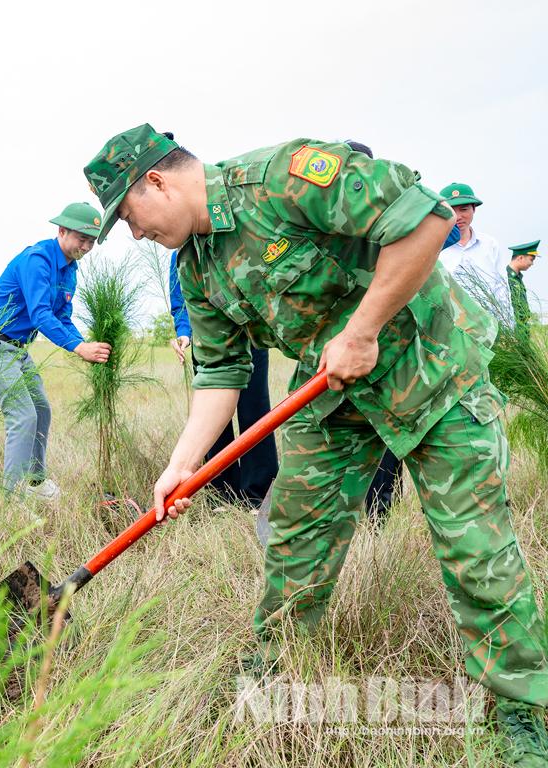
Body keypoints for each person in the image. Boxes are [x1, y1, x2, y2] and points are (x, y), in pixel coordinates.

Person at [84, 124, 548, 765]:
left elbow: (426, 222)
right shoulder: (194, 265)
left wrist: (362, 330)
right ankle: (267, 678)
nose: (134, 234)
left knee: (477, 549)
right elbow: (220, 372)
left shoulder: (285, 178)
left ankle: (521, 712)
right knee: (294, 537)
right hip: (333, 397)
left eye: (129, 216)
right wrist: (179, 465)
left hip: (434, 372)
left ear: (156, 181)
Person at [0, 203, 111, 500]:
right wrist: (79, 347)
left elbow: (62, 317)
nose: (86, 247)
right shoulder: (38, 260)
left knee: (41, 410)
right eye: (81, 239)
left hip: (17, 346)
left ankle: (36, 482)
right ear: (61, 231)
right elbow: (41, 315)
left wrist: (84, 346)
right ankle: (12, 496)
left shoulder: (70, 269)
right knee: (22, 415)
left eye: (91, 242)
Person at [168, 250, 276, 507]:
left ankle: (258, 494)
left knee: (254, 410)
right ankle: (222, 493)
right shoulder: (181, 254)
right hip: (207, 340)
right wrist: (184, 333)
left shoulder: (234, 235)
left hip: (249, 336)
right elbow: (181, 301)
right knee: (212, 417)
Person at [438, 182, 514, 325]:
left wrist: (508, 327)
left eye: (464, 209)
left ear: (474, 209)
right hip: (450, 326)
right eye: (452, 211)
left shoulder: (490, 245)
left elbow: (501, 289)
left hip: (487, 325)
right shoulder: (435, 247)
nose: (458, 216)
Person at [507, 240, 539, 327]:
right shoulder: (505, 276)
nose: (532, 264)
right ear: (520, 257)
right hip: (512, 327)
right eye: (531, 260)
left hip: (522, 326)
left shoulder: (518, 277)